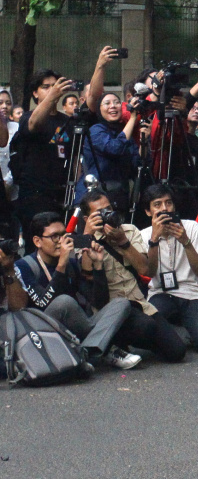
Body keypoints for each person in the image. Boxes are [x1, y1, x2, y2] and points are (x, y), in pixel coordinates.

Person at [12, 212, 142, 369]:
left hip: (75, 329)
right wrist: (61, 266)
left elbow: (98, 302)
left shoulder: (71, 264)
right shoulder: (24, 266)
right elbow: (42, 303)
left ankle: (86, 352)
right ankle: (106, 350)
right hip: (43, 331)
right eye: (54, 237)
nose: (61, 241)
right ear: (37, 241)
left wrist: (98, 267)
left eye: (63, 235)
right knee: (64, 301)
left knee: (121, 303)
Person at [79, 190, 187, 362]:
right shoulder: (83, 240)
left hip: (138, 302)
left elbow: (145, 269)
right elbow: (86, 273)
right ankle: (114, 342)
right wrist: (87, 236)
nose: (107, 215)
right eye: (99, 213)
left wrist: (123, 242)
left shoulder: (129, 231)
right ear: (87, 219)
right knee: (146, 326)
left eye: (108, 209)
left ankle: (120, 342)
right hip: (110, 308)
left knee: (177, 351)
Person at [140, 184, 198, 355]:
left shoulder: (190, 227)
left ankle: (185, 329)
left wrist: (185, 241)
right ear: (148, 212)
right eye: (157, 205)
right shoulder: (144, 235)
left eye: (168, 203)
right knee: (148, 328)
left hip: (191, 292)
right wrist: (154, 239)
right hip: (160, 293)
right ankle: (178, 332)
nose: (164, 209)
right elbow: (150, 272)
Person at [12, 70, 76, 251]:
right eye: (45, 87)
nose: (51, 90)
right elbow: (33, 125)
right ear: (35, 93)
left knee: (63, 246)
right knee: (38, 249)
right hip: (35, 195)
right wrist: (52, 96)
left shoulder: (66, 121)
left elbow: (73, 157)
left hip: (61, 195)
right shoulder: (28, 117)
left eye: (55, 86)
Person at [73, 92, 148, 209]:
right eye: (107, 103)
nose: (113, 106)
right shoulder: (95, 130)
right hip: (92, 199)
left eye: (117, 102)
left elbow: (137, 164)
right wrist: (133, 117)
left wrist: (144, 141)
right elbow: (115, 148)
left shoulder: (124, 132)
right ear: (99, 109)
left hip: (118, 197)